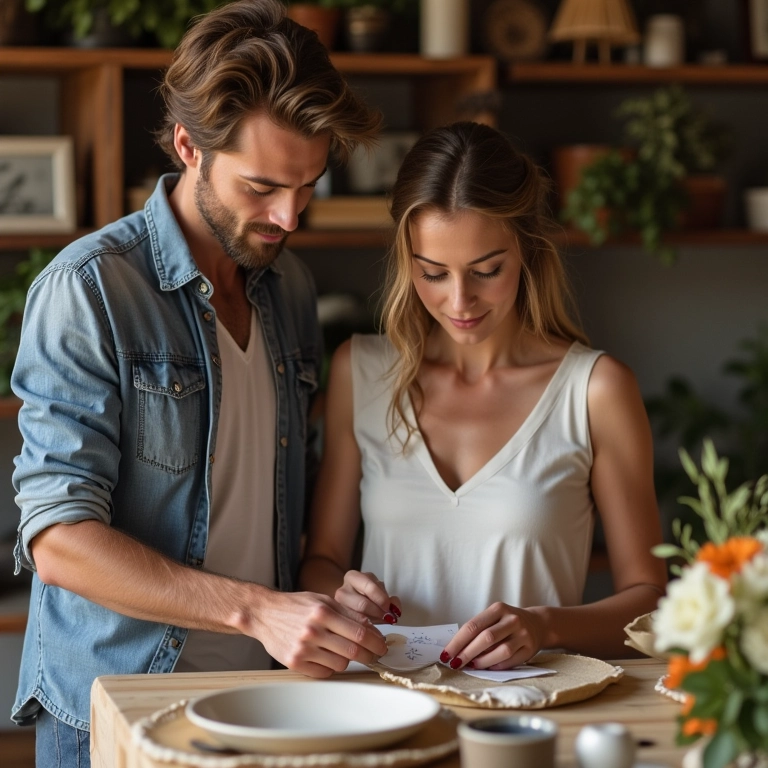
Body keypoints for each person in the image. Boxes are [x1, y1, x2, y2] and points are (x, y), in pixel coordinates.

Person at [11, 1, 389, 764]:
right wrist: (259, 612)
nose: (289, 216)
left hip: (268, 700)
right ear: (189, 145)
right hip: (121, 706)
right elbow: (59, 540)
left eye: (308, 185)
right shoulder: (89, 290)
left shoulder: (290, 288)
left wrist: (324, 597)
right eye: (261, 188)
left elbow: (279, 496)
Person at [300, 121, 668, 671]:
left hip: (531, 715)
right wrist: (343, 595)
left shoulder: (595, 391)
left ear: (527, 248)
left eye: (486, 270)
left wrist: (544, 625)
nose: (459, 300)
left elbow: (650, 602)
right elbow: (322, 560)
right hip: (384, 707)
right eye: (433, 273)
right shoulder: (362, 371)